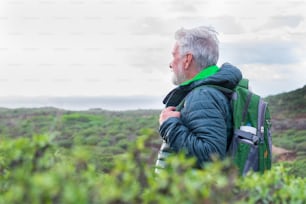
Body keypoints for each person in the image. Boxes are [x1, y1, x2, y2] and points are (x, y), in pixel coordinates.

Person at [155, 26, 242, 173]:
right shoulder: (213, 90)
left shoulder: (203, 96)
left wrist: (169, 125)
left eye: (174, 56)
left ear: (187, 60)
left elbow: (211, 156)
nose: (170, 64)